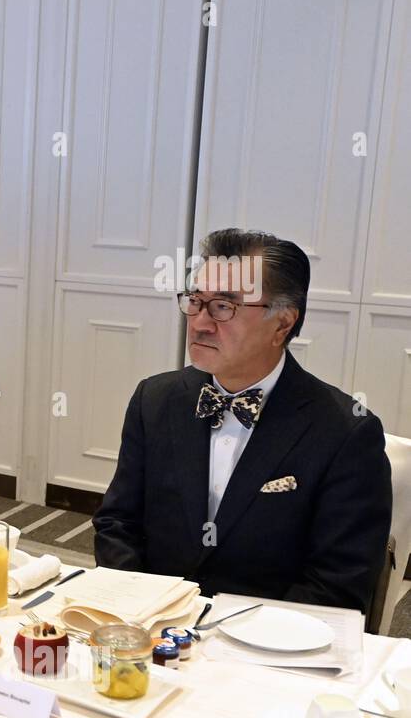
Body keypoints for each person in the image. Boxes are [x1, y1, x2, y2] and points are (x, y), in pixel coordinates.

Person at [93, 228, 392, 614]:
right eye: (195, 301)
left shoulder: (346, 433)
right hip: (151, 630)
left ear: (282, 323)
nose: (199, 323)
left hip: (267, 649)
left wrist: (224, 641)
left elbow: (337, 585)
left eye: (223, 307)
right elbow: (118, 523)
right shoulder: (155, 400)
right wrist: (138, 613)